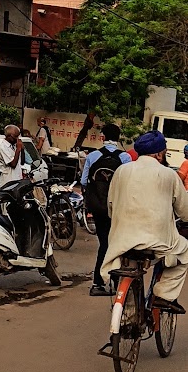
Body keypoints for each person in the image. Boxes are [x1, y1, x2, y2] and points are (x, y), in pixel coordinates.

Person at [102, 131, 188, 309]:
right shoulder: (168, 175)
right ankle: (163, 295)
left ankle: (127, 315)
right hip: (157, 241)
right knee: (185, 251)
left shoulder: (121, 171)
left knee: (129, 262)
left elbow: (110, 205)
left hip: (122, 240)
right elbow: (185, 211)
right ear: (158, 154)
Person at [80, 123, 131, 297]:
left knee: (104, 243)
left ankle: (98, 283)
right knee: (117, 244)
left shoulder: (93, 156)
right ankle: (116, 283)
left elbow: (84, 182)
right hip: (117, 208)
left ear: (102, 137)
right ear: (118, 138)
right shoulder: (125, 158)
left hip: (99, 207)